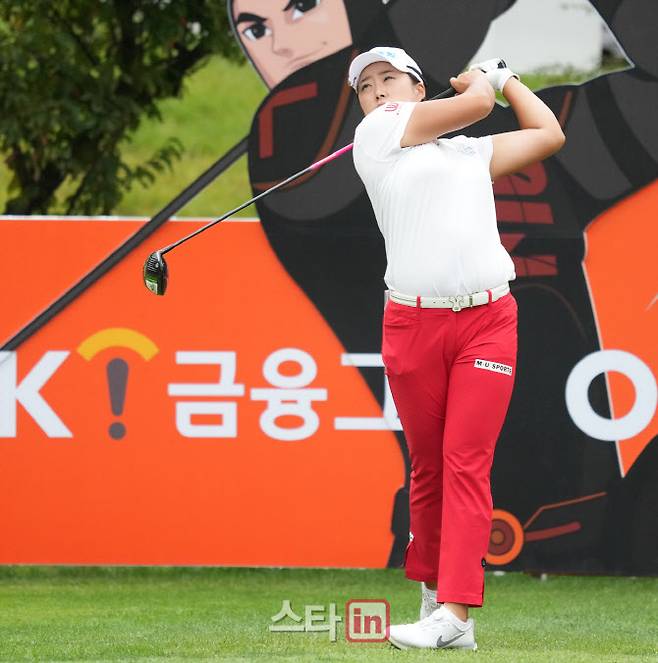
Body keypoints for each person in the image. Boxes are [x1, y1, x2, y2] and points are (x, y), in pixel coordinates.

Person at [349, 47, 565, 650]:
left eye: (390, 79)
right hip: (412, 324)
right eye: (365, 86)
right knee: (428, 467)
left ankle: (456, 614)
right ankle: (433, 595)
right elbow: (475, 104)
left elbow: (548, 134)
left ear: (419, 89)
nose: (377, 91)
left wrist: (509, 79)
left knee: (465, 461)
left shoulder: (470, 153)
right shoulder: (376, 136)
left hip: (487, 320)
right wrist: (481, 83)